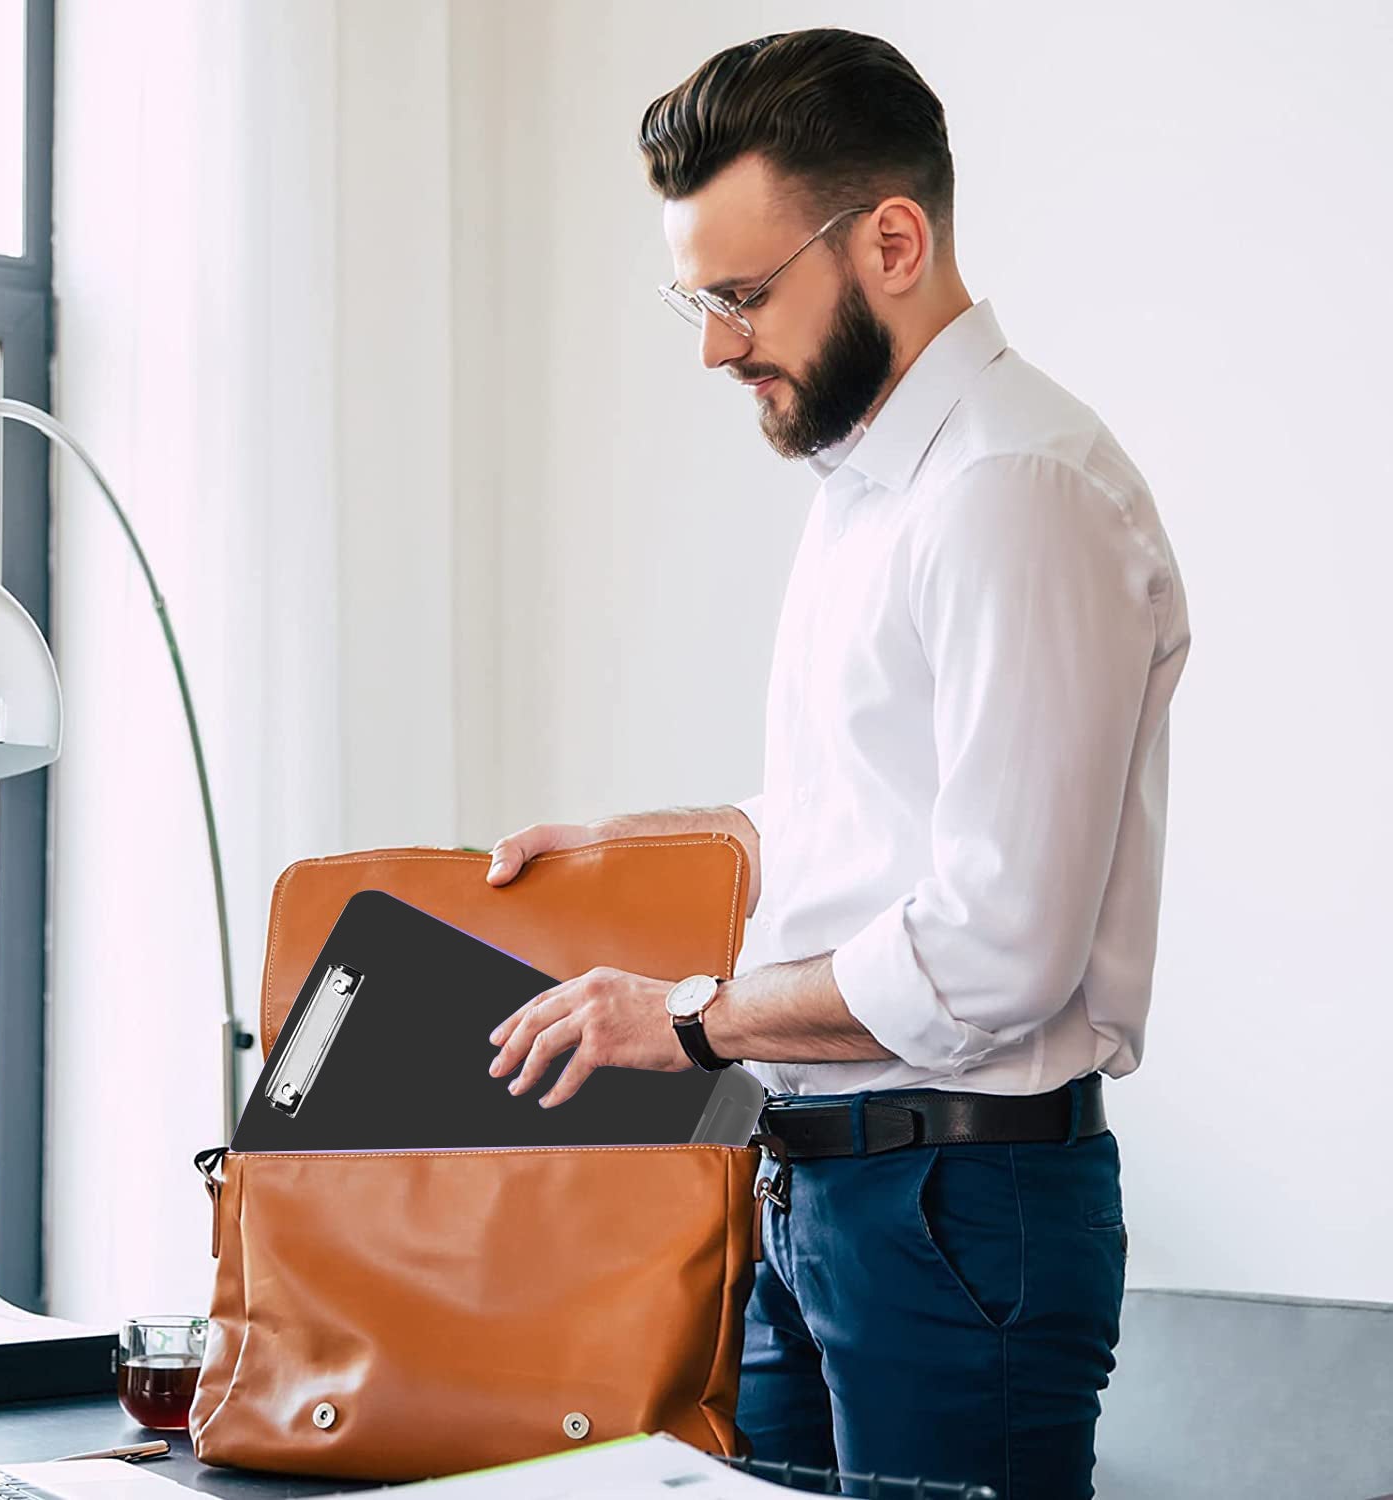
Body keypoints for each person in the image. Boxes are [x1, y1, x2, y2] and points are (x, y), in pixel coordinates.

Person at [484, 27, 1190, 1500]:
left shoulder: (1012, 490)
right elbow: (847, 821)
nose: (714, 346)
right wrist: (634, 852)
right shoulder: (873, 484)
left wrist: (684, 1021)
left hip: (954, 1202)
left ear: (891, 238)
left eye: (741, 296)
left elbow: (994, 947)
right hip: (824, 1182)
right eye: (695, 298)